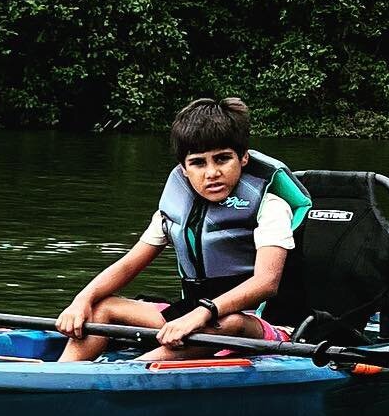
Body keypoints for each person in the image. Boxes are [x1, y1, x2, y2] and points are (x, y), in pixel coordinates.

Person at [55, 96, 309, 362]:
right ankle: (60, 378)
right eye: (199, 162)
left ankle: (131, 372)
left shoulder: (270, 206)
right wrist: (80, 301)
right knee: (102, 306)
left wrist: (203, 313)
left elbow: (265, 283)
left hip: (259, 326)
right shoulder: (176, 209)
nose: (212, 173)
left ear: (243, 158)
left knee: (229, 322)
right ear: (184, 169)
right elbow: (128, 265)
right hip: (193, 316)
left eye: (222, 159)